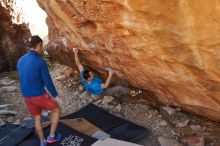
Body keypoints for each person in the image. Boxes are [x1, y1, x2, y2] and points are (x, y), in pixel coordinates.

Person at [17, 35, 62, 146]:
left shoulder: (20, 60)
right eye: (41, 46)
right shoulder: (40, 61)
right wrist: (56, 96)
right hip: (38, 95)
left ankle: (42, 141)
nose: (41, 48)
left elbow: (23, 77)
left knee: (37, 118)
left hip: (26, 97)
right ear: (39, 45)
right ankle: (51, 137)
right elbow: (48, 81)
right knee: (57, 110)